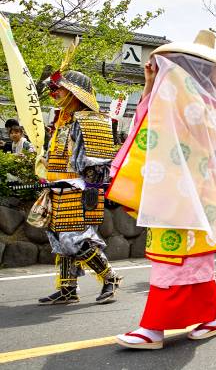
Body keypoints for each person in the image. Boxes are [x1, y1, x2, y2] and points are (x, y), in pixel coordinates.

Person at [111, 30, 216, 349]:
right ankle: (212, 316)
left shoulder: (187, 95)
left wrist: (156, 86)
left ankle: (154, 327)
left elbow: (154, 122)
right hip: (183, 189)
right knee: (188, 258)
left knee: (175, 258)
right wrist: (150, 86)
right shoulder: (198, 99)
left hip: (185, 190)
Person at [37, 68, 122, 305]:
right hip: (59, 188)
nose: (56, 93)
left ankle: (110, 277)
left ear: (75, 93)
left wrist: (90, 188)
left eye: (60, 88)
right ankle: (67, 288)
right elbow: (63, 156)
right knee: (59, 239)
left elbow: (99, 163)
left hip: (80, 189)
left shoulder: (92, 121)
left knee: (75, 239)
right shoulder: (63, 120)